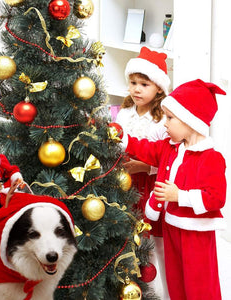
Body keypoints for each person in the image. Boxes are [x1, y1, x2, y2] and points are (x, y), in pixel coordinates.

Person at [125, 79, 226, 299]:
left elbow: (216, 198)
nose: (164, 124)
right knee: (175, 279)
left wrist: (179, 195)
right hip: (171, 226)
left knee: (199, 282)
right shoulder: (169, 148)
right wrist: (123, 139)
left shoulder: (211, 158)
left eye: (170, 118)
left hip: (195, 233)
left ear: (191, 121)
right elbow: (145, 149)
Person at [115, 46, 170, 298]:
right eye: (133, 83)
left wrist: (145, 166)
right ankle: (124, 281)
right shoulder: (124, 114)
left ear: (158, 88)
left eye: (144, 84)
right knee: (123, 233)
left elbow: (168, 158)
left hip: (147, 184)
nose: (136, 89)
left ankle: (149, 286)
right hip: (121, 182)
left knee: (146, 237)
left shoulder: (162, 121)